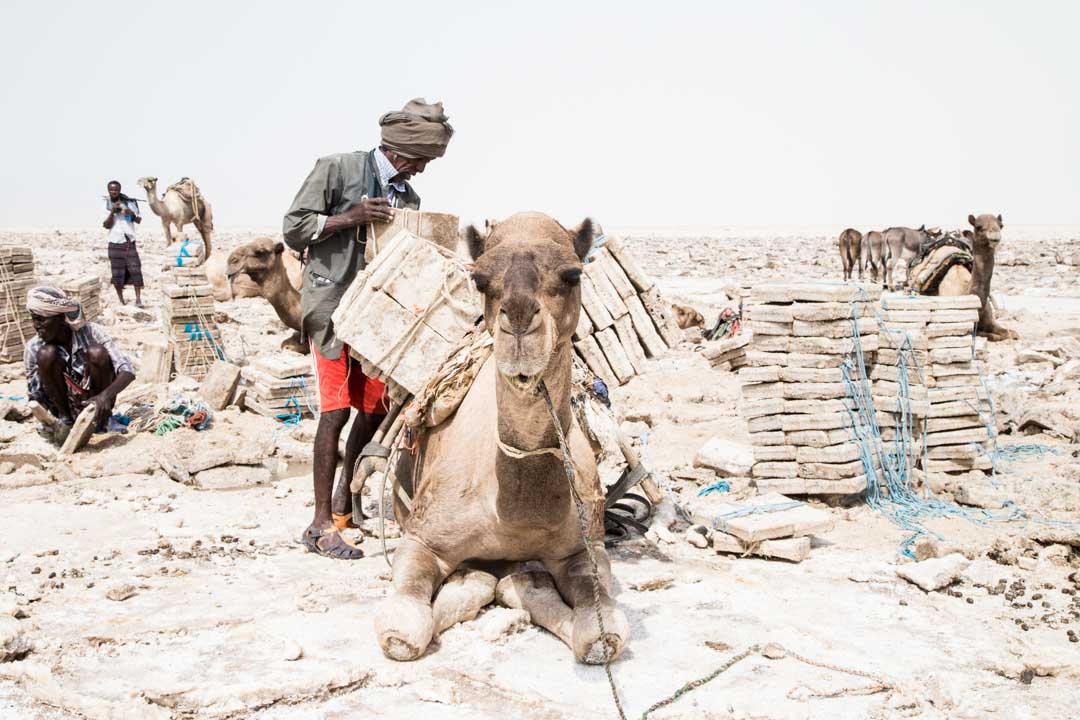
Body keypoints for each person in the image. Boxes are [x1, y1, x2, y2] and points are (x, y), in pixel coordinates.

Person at [283, 98, 454, 559]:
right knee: (335, 411)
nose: (422, 170)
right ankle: (319, 526)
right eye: (420, 160)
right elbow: (294, 229)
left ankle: (344, 503)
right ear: (399, 151)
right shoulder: (337, 169)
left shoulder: (408, 200)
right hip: (333, 310)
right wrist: (349, 219)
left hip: (379, 321)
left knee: (375, 409)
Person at [24, 286, 136, 438]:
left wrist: (104, 397)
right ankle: (66, 421)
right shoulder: (34, 346)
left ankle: (103, 420)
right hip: (60, 405)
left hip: (96, 402)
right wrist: (44, 416)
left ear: (61, 319)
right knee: (46, 354)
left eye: (41, 319)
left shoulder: (92, 332)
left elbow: (127, 371)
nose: (36, 325)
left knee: (96, 352)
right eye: (34, 319)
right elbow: (34, 392)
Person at [102, 180, 144, 307]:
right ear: (108, 190)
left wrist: (130, 213)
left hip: (129, 241)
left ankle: (138, 299)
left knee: (135, 269)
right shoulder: (106, 205)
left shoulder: (130, 202)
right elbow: (106, 225)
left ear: (119, 190)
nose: (113, 192)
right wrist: (112, 212)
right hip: (114, 241)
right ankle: (121, 300)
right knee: (117, 274)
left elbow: (138, 220)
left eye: (116, 190)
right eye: (111, 190)